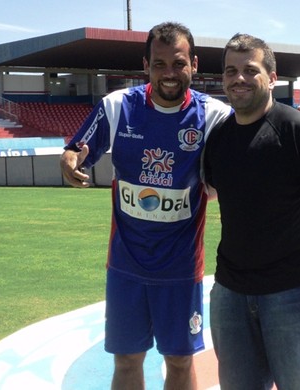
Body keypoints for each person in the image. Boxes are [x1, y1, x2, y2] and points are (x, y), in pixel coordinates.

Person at [60, 22, 232, 389]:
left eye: (178, 63)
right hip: (126, 264)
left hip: (181, 267)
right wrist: (70, 162)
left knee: (181, 362)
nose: (169, 73)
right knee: (126, 361)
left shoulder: (214, 116)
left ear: (195, 65)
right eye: (160, 64)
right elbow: (76, 152)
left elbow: (258, 135)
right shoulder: (118, 106)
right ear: (146, 65)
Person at [203, 33, 300, 390]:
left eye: (249, 70)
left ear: (272, 77)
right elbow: (212, 192)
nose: (238, 78)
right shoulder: (219, 138)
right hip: (231, 293)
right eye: (230, 71)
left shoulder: (298, 130)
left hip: (294, 292)